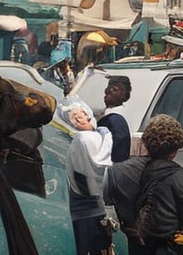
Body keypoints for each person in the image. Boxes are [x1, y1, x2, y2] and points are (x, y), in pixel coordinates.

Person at [132, 115, 183, 255]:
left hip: (139, 245)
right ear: (176, 147)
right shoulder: (181, 177)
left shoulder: (130, 171)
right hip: (170, 247)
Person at [63, 101, 114, 255]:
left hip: (82, 213)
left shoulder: (82, 139)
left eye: (82, 115)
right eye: (74, 118)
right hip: (95, 212)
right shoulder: (99, 137)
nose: (80, 119)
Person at [98, 75, 133, 162]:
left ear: (125, 95)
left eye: (114, 89)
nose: (108, 91)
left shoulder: (117, 118)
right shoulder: (102, 113)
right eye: (108, 87)